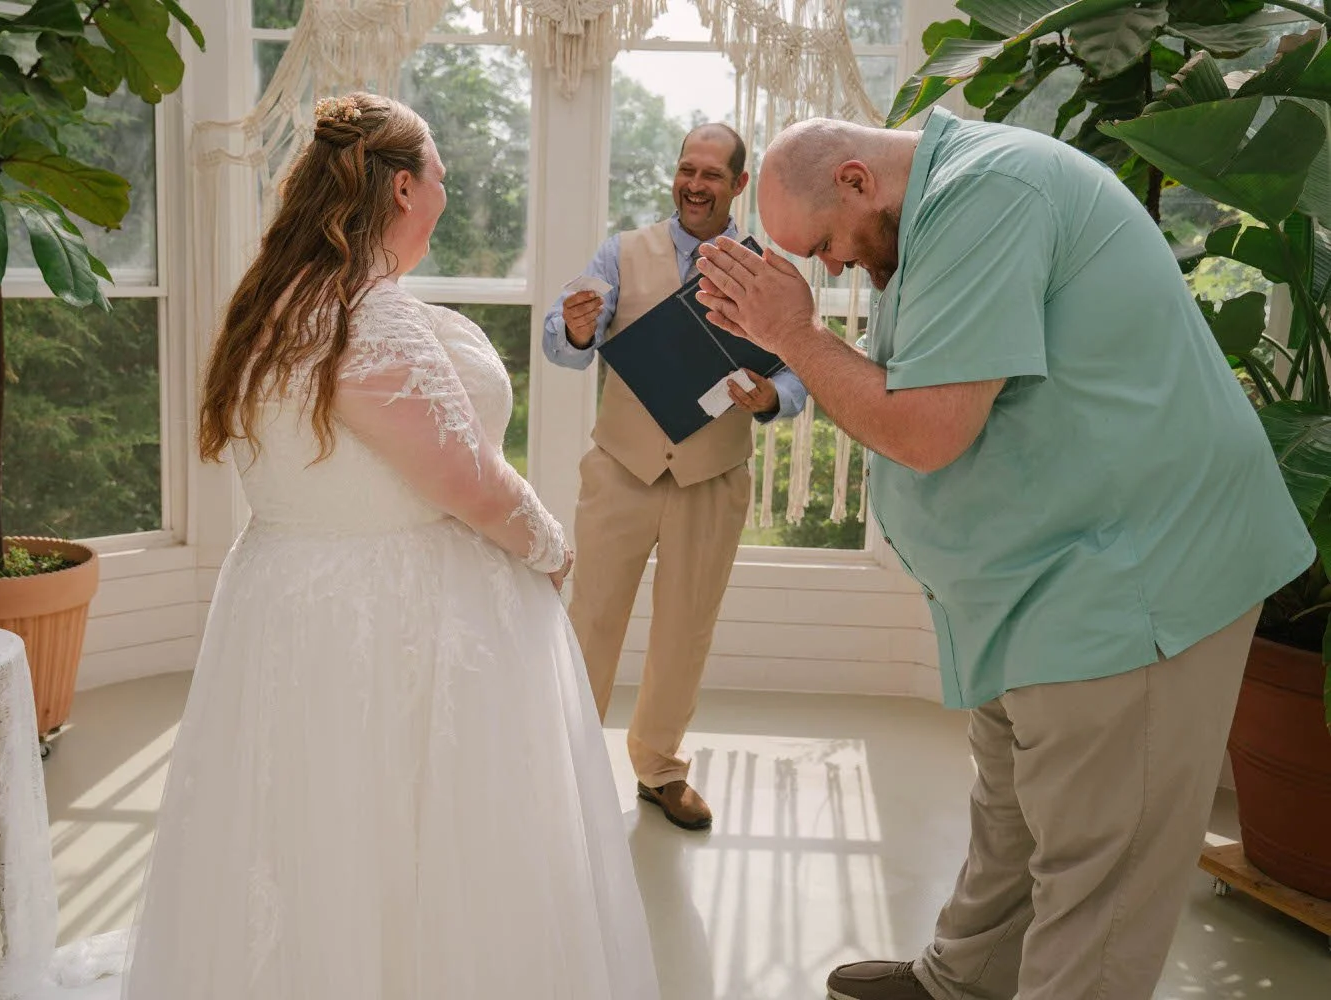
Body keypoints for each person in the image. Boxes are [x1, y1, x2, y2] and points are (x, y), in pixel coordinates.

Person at [693, 108, 1314, 1000]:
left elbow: (927, 429)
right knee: (1012, 814)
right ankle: (967, 982)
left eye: (825, 243)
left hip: (1129, 586)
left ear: (858, 180)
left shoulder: (989, 194)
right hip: (1037, 587)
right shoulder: (934, 214)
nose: (830, 267)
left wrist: (795, 335)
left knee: (1098, 878)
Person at [119, 93, 660, 1000]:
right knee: (392, 832)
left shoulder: (279, 303)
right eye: (441, 178)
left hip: (284, 592)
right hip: (380, 611)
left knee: (306, 825)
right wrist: (549, 546)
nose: (446, 195)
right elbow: (464, 479)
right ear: (403, 187)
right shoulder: (364, 313)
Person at [543, 123, 808, 831]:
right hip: (621, 470)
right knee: (590, 620)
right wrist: (573, 328)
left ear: (739, 186)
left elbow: (797, 368)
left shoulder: (766, 270)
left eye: (712, 175)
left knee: (685, 630)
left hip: (712, 477)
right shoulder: (620, 253)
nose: (695, 184)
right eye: (686, 169)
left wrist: (771, 396)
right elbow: (565, 345)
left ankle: (658, 768)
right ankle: (565, 768)